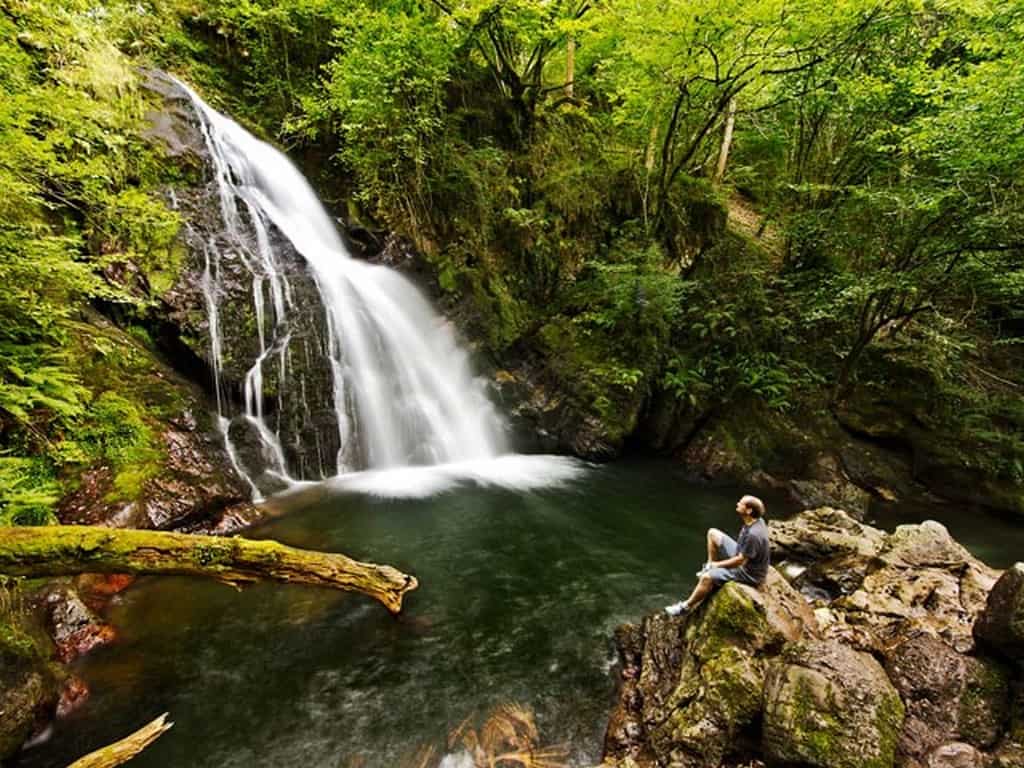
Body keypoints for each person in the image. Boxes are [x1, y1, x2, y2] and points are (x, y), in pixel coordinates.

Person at [665, 494, 769, 616]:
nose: (737, 504)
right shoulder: (756, 521)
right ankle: (708, 566)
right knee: (712, 533)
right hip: (741, 553)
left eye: (741, 503)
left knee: (706, 578)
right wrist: (712, 564)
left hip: (748, 573)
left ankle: (685, 607)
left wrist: (717, 565)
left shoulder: (753, 535)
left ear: (749, 510)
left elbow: (741, 561)